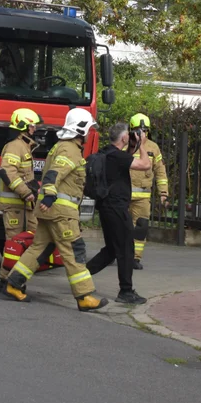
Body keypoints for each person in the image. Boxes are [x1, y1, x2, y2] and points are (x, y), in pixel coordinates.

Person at [2, 108, 109, 312]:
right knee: (74, 251)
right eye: (89, 129)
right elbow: (53, 175)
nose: (90, 134)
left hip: (49, 212)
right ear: (81, 130)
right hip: (61, 213)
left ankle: (13, 284)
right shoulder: (69, 149)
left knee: (38, 248)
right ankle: (84, 296)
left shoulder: (61, 146)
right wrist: (50, 195)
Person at [85, 123, 149, 305]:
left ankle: (81, 275)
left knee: (112, 249)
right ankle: (126, 291)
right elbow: (145, 164)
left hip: (105, 207)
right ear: (123, 138)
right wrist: (142, 144)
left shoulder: (106, 153)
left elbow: (123, 160)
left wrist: (132, 146)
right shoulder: (117, 156)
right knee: (126, 249)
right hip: (117, 208)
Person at [0, 108, 42, 294]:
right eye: (33, 124)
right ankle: (7, 282)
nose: (35, 128)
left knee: (25, 242)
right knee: (14, 244)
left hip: (24, 206)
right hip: (15, 206)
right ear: (24, 125)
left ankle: (9, 280)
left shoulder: (24, 146)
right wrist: (25, 192)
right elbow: (7, 171)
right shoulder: (16, 146)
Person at [128, 113, 169, 269]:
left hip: (142, 197)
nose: (142, 133)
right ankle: (115, 253)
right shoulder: (126, 144)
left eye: (144, 130)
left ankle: (135, 259)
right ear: (131, 130)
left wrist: (163, 193)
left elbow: (160, 172)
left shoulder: (153, 148)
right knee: (118, 226)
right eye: (138, 130)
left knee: (140, 227)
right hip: (123, 195)